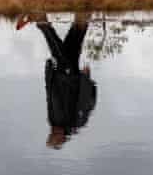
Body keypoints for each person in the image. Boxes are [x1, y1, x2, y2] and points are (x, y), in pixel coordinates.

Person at [17, 12, 97, 149]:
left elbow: (50, 95)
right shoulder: (76, 122)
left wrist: (49, 71)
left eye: (50, 135)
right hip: (70, 76)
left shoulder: (52, 121)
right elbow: (88, 101)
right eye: (53, 136)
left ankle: (82, 16)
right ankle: (42, 22)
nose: (51, 133)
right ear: (62, 138)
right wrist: (86, 79)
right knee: (57, 48)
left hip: (60, 75)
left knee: (73, 43)